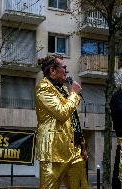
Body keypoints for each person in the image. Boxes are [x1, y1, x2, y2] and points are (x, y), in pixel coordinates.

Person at [35, 54, 88, 189]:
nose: (67, 71)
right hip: (54, 151)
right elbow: (62, 113)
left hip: (74, 149)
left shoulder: (64, 89)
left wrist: (82, 145)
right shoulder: (43, 88)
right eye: (64, 67)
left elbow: (73, 118)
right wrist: (74, 94)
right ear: (53, 70)